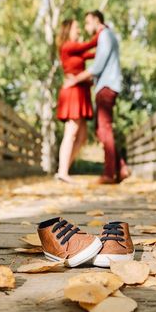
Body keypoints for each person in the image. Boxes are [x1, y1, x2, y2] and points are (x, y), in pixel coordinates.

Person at [64, 10, 130, 184]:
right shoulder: (107, 36)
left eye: (87, 23)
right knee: (100, 129)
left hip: (106, 86)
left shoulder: (105, 35)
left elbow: (97, 66)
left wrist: (75, 80)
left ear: (96, 20)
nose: (86, 27)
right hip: (106, 85)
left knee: (104, 128)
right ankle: (121, 168)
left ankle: (109, 174)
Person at [55, 19, 98, 183]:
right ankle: (62, 171)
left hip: (81, 91)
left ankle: (64, 170)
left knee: (82, 136)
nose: (79, 30)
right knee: (71, 131)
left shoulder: (76, 50)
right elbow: (89, 46)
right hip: (72, 93)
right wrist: (100, 31)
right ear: (68, 30)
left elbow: (93, 54)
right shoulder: (68, 46)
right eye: (77, 27)